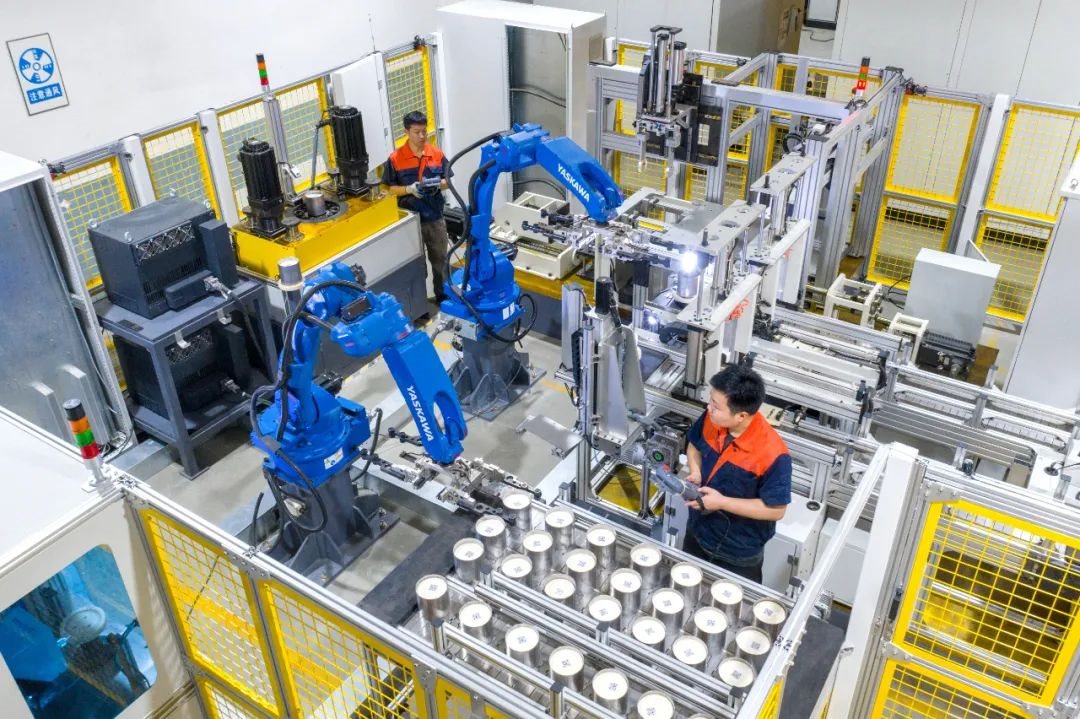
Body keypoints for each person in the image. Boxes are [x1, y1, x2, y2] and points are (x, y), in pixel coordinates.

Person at [683, 365, 791, 583]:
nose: (709, 408)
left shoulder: (773, 454)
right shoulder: (712, 419)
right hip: (697, 532)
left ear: (741, 415)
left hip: (738, 553)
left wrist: (721, 502)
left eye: (716, 406)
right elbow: (694, 445)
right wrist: (696, 471)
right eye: (710, 401)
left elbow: (776, 510)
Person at [383, 111, 451, 303]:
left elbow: (448, 181)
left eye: (424, 131)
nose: (422, 136)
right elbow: (387, 189)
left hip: (434, 218)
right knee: (415, 265)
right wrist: (408, 189)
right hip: (409, 222)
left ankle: (443, 298)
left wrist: (436, 184)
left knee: (441, 261)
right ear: (406, 132)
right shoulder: (395, 159)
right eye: (416, 132)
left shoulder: (436, 154)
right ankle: (418, 304)